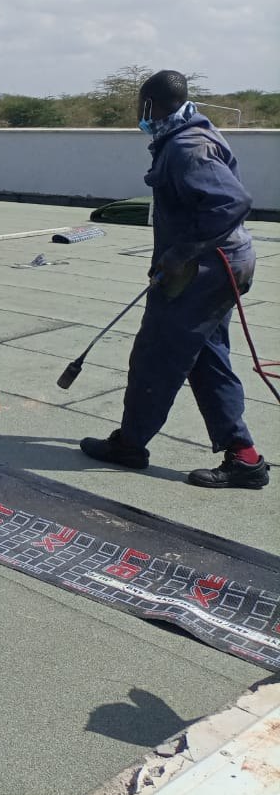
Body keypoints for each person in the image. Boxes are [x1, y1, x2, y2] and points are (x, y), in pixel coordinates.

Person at [79, 69, 268, 489]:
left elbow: (232, 202)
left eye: (139, 106)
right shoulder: (192, 133)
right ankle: (245, 457)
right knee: (206, 357)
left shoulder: (186, 147)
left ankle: (130, 444)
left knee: (156, 354)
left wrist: (180, 254)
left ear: (149, 106)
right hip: (220, 265)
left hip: (206, 269)